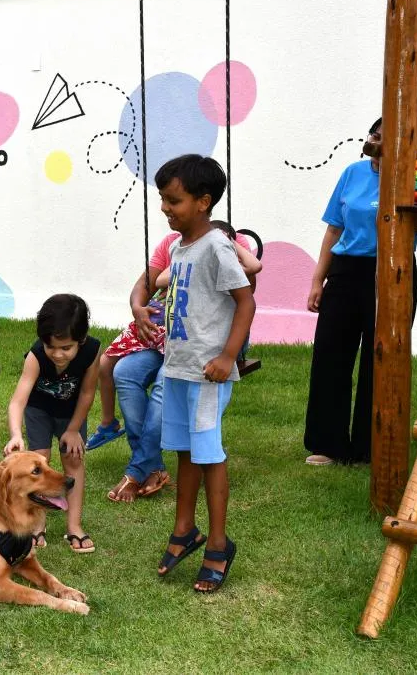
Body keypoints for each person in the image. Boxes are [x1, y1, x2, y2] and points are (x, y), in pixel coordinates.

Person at [152, 154, 255, 593]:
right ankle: (183, 530)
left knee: (209, 455)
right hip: (178, 367)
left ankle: (217, 543)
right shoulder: (178, 248)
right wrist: (147, 311)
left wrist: (229, 357)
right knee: (183, 451)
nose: (165, 208)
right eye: (162, 199)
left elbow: (246, 302)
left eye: (173, 200)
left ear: (203, 201)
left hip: (208, 374)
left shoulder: (217, 245)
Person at [104, 223, 260, 503]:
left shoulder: (226, 246)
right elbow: (148, 282)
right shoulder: (173, 245)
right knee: (124, 372)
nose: (166, 208)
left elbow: (249, 288)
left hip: (200, 346)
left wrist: (229, 241)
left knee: (165, 387)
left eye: (174, 200)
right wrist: (138, 308)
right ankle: (151, 464)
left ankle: (138, 470)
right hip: (166, 337)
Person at [303, 118, 417, 466]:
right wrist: (316, 281)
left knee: (381, 359)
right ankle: (328, 444)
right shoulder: (352, 173)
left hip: (392, 273)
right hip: (345, 272)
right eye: (376, 136)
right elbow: (333, 230)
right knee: (330, 355)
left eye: (389, 139)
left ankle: (370, 448)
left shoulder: (411, 179)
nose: (380, 144)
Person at [4, 294, 100, 553]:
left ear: (81, 340)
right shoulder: (36, 356)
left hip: (71, 413)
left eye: (66, 348)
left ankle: (74, 527)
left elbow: (88, 393)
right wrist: (15, 434)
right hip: (39, 411)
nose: (57, 354)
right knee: (39, 461)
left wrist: (73, 429)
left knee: (73, 459)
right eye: (51, 346)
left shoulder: (92, 351)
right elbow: (17, 401)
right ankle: (37, 525)